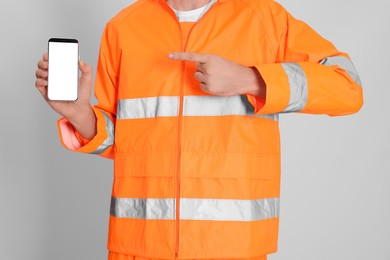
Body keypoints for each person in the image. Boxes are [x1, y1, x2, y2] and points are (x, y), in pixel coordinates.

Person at [35, 0, 363, 259]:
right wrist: (80, 115)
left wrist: (250, 79)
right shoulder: (123, 28)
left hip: (232, 250)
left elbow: (348, 88)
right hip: (137, 247)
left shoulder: (264, 18)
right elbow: (128, 143)